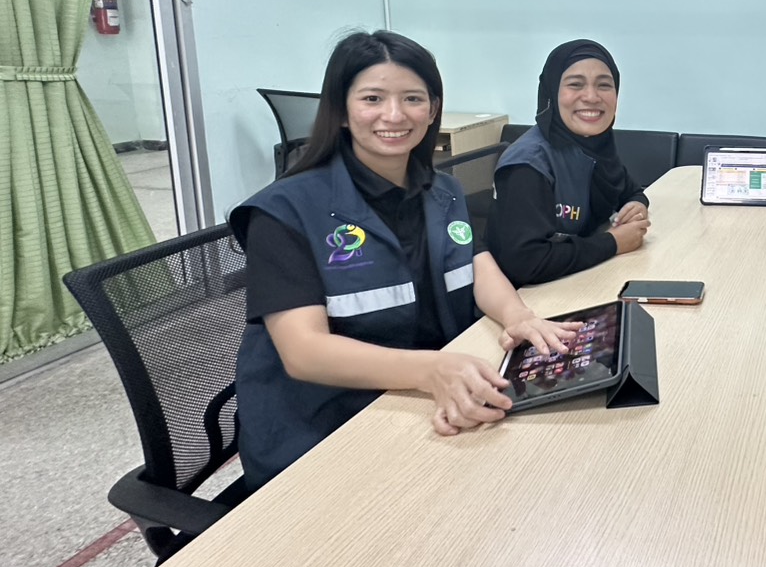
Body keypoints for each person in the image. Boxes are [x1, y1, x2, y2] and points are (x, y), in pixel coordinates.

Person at [232, 31, 576, 491]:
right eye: (372, 98)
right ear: (341, 109)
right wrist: (430, 370)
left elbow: (476, 262)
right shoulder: (283, 212)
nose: (394, 115)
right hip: (320, 434)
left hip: (415, 403)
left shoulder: (442, 191)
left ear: (432, 109)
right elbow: (304, 352)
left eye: (413, 98)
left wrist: (518, 316)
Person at [487, 39, 649, 287]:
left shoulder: (595, 146)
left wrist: (636, 205)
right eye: (575, 84)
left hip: (582, 280)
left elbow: (631, 191)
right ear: (551, 92)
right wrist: (614, 242)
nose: (592, 97)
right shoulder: (528, 165)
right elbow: (525, 262)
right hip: (527, 297)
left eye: (604, 85)